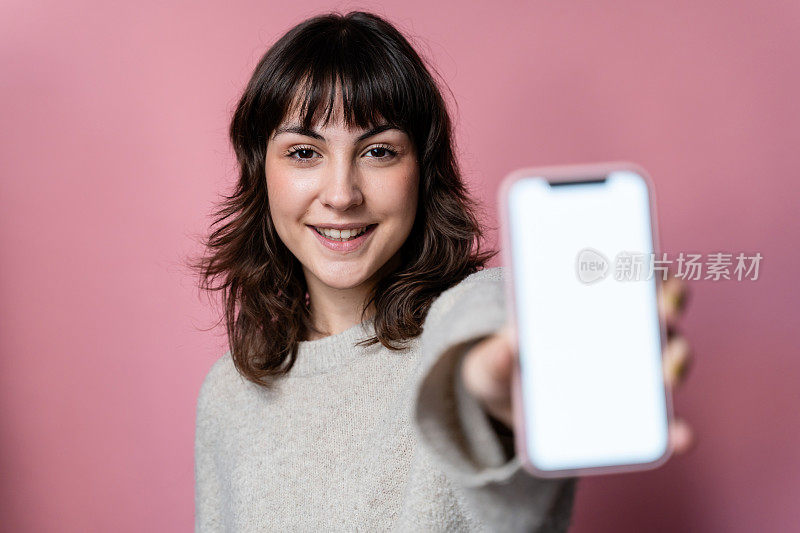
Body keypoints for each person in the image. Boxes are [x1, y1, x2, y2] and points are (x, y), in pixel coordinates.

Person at [190, 10, 694, 532]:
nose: (341, 194)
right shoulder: (227, 397)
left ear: (422, 170)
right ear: (259, 171)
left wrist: (487, 393)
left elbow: (486, 321)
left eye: (379, 151)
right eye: (303, 152)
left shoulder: (463, 319)